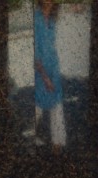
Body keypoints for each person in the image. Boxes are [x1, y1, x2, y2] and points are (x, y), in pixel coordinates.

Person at [34, 0, 66, 149]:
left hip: (53, 67)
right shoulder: (36, 18)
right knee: (37, 107)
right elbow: (36, 53)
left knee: (57, 106)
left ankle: (57, 144)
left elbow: (52, 46)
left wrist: (53, 74)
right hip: (39, 71)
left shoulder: (53, 18)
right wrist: (45, 78)